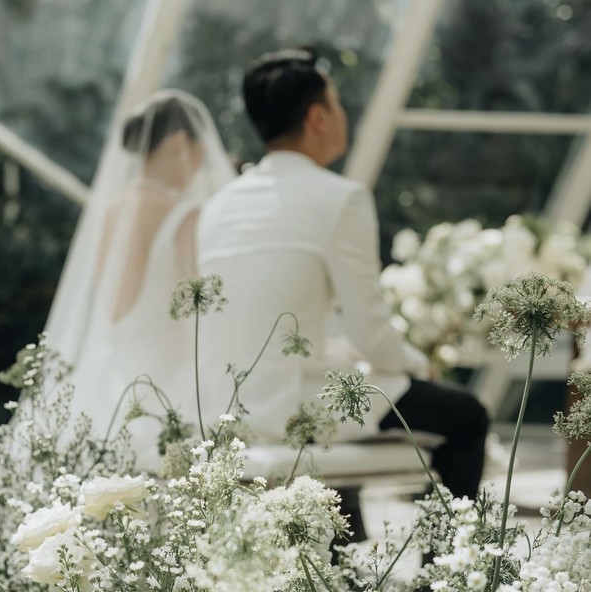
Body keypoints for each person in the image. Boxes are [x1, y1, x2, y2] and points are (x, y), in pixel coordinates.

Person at [197, 48, 489, 503]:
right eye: (337, 103)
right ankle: (450, 548)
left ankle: (346, 542)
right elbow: (372, 335)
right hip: (296, 402)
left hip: (228, 407)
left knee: (355, 393)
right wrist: (418, 364)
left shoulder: (219, 206)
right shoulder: (339, 198)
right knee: (467, 415)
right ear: (317, 118)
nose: (343, 115)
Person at [44, 90, 235, 467]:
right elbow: (204, 312)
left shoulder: (112, 211)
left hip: (109, 386)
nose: (200, 165)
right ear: (180, 144)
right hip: (171, 388)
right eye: (198, 152)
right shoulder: (185, 213)